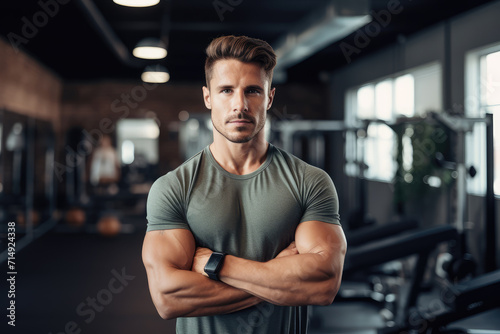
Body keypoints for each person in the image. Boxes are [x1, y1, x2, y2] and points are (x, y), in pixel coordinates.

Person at [142, 35, 347, 334]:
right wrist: (280, 281)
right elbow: (168, 297)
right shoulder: (173, 188)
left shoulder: (310, 182)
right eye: (226, 90)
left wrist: (217, 265)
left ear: (270, 97)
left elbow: (323, 285)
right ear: (208, 97)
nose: (240, 105)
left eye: (252, 91)